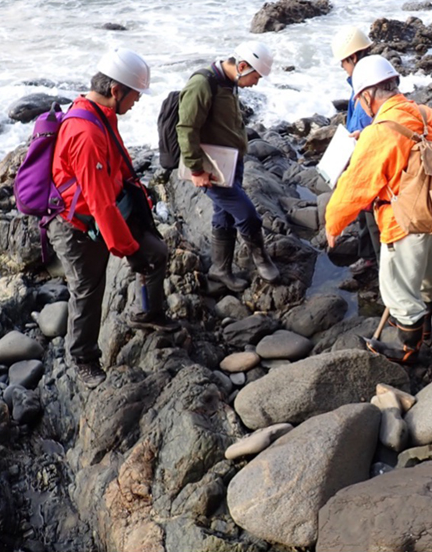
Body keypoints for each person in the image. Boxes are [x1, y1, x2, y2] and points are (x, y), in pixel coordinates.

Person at [48, 47, 177, 389]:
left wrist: (137, 193)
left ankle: (147, 313)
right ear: (116, 90)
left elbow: (115, 167)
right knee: (88, 290)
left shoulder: (99, 114)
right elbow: (99, 201)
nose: (138, 102)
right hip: (76, 226)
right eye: (136, 95)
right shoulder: (86, 132)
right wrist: (125, 245)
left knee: (156, 254)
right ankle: (83, 359)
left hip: (101, 212)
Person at [324, 55, 432, 364]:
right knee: (428, 283)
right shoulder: (425, 114)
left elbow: (355, 187)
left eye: (360, 99)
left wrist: (333, 225)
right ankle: (426, 335)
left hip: (407, 224)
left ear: (368, 95)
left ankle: (408, 352)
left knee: (398, 292)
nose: (362, 105)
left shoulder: (379, 132)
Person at [176, 41, 280, 290]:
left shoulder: (229, 83)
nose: (256, 83)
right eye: (256, 77)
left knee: (224, 214)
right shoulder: (203, 84)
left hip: (230, 162)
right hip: (211, 167)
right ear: (242, 66)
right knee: (248, 216)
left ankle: (220, 270)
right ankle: (261, 260)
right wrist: (196, 170)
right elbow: (186, 128)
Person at [330, 25, 381, 275]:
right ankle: (369, 257)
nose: (342, 67)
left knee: (373, 214)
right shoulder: (359, 82)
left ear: (353, 57)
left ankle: (384, 268)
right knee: (364, 212)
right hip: (360, 149)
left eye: (343, 62)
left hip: (370, 158)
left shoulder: (367, 85)